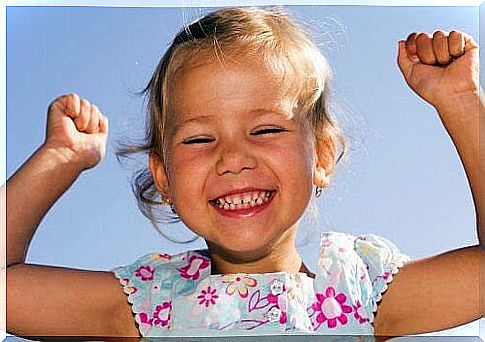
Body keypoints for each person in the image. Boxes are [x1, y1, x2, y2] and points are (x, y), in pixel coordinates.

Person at [6, 6, 482, 340]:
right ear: (165, 179)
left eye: (267, 129)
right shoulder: (148, 303)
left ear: (320, 155)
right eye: (198, 138)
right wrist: (61, 157)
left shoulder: (359, 295)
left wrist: (460, 101)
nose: (233, 158)